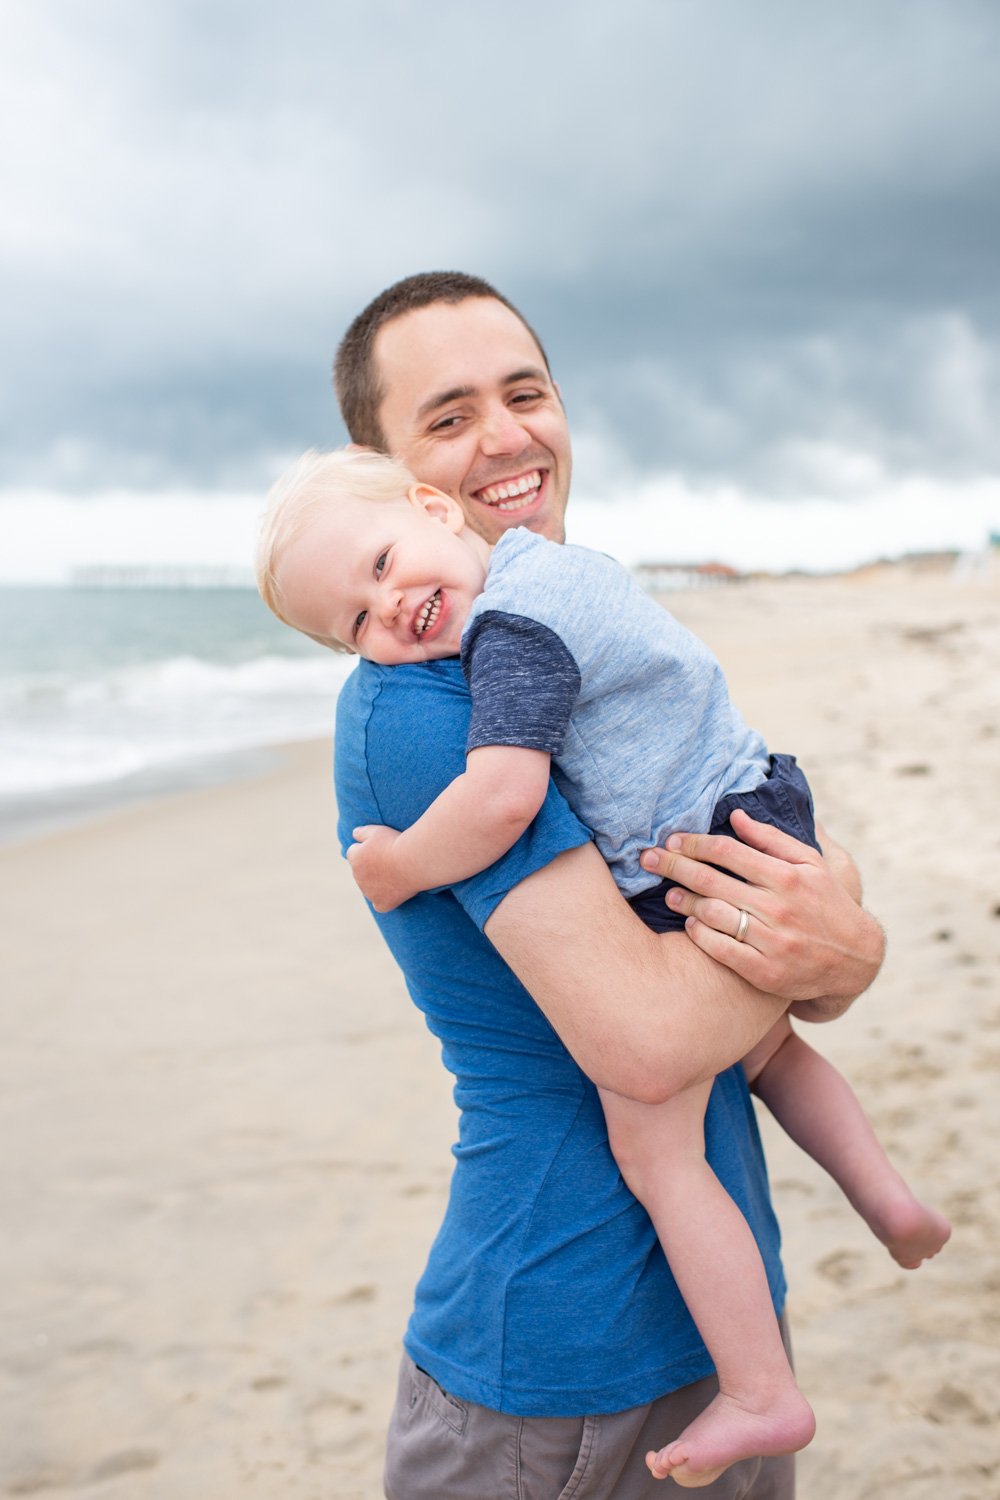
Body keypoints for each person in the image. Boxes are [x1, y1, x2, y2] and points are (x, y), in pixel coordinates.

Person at [280, 273, 886, 1498]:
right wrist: (831, 945)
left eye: (525, 393)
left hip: (707, 1324)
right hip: (554, 1369)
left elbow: (725, 917)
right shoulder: (426, 711)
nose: (505, 437)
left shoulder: (554, 648)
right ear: (383, 470)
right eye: (448, 417)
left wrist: (837, 950)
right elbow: (654, 1039)